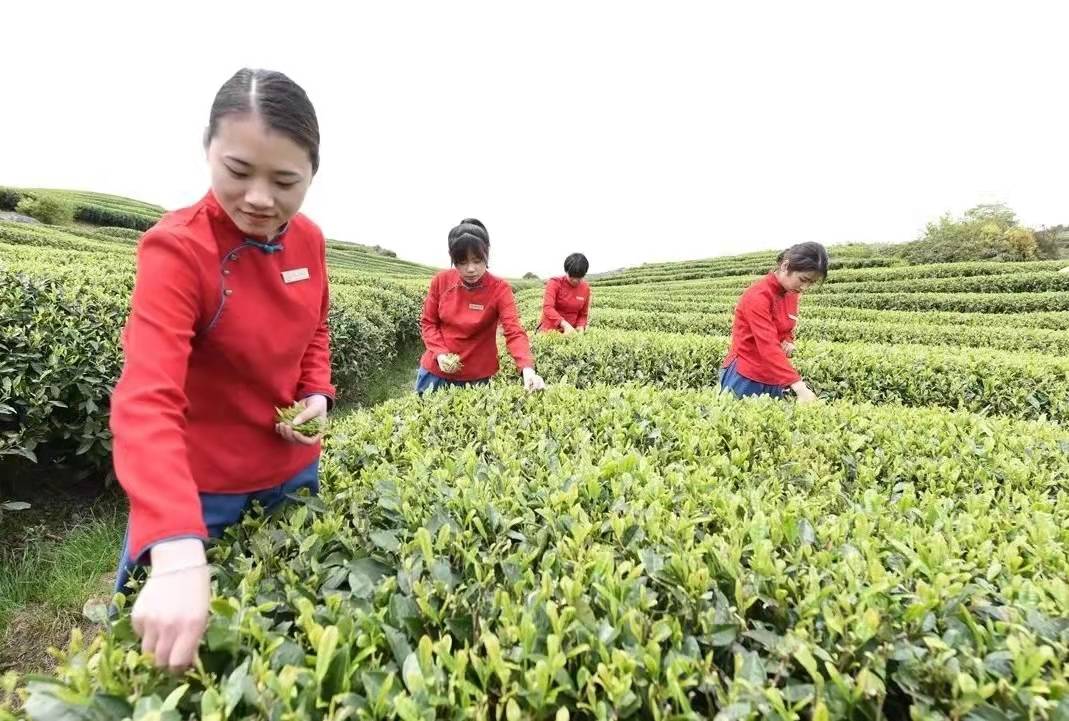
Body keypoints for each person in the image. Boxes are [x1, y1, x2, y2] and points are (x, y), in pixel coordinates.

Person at [108, 68, 332, 671]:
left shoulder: (309, 241)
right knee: (155, 666)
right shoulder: (177, 248)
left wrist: (317, 393)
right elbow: (146, 396)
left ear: (314, 173)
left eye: (285, 180)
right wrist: (178, 551)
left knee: (277, 648)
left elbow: (315, 328)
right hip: (199, 492)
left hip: (290, 474)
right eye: (237, 171)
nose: (260, 198)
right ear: (207, 149)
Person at [417, 219, 546, 393]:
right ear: (452, 258)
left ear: (487, 253)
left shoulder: (499, 289)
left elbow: (514, 331)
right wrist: (440, 353)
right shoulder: (441, 281)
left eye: (477, 261)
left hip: (476, 378)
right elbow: (429, 323)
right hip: (435, 373)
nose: (471, 269)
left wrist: (527, 370)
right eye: (462, 262)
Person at [719, 242, 828, 403]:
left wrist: (788, 342)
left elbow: (786, 328)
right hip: (746, 375)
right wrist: (799, 386)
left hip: (774, 375)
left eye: (811, 283)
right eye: (803, 279)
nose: (805, 287)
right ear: (785, 266)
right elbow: (767, 344)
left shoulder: (791, 293)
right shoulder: (757, 296)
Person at [538, 252, 591, 334]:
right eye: (572, 277)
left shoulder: (585, 288)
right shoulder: (554, 283)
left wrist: (580, 326)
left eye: (579, 278)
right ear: (566, 271)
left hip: (571, 332)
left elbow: (583, 314)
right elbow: (547, 308)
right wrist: (564, 324)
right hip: (550, 331)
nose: (575, 280)